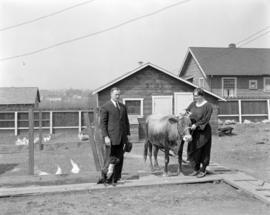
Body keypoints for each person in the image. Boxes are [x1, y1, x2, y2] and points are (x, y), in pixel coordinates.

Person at [99, 87, 130, 184]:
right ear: (111, 95)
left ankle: (116, 178)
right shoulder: (106, 107)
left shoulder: (123, 106)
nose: (118, 96)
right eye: (116, 94)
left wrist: (127, 136)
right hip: (111, 138)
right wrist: (106, 137)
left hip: (122, 137)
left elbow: (126, 121)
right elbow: (103, 124)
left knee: (119, 158)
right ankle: (105, 178)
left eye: (119, 94)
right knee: (109, 158)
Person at [186, 88, 213, 178]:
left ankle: (203, 169)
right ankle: (196, 169)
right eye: (194, 96)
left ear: (202, 95)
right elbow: (187, 112)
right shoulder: (193, 104)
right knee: (194, 149)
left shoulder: (208, 106)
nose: (195, 97)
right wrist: (184, 114)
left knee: (203, 150)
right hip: (193, 131)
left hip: (203, 131)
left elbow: (206, 119)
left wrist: (197, 124)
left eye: (196, 96)